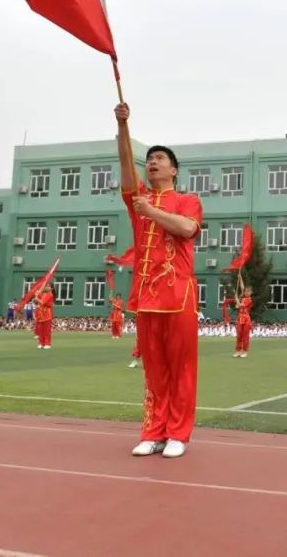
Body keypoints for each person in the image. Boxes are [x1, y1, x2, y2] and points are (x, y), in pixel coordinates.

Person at [116, 102, 202, 459]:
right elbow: (125, 164)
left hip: (179, 294)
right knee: (154, 370)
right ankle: (153, 432)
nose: (152, 162)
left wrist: (152, 211)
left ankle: (178, 433)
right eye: (149, 158)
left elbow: (187, 229)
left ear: (174, 170)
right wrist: (123, 126)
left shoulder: (186, 200)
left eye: (160, 158)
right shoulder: (138, 199)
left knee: (181, 367)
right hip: (147, 296)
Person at [233, 275, 253, 358]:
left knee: (245, 335)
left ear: (251, 292)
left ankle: (244, 351)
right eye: (245, 291)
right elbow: (242, 287)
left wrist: (237, 299)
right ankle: (238, 351)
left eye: (248, 291)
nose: (246, 292)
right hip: (240, 318)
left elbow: (240, 305)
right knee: (239, 335)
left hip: (246, 319)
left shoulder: (249, 300)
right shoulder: (243, 297)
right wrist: (240, 278)